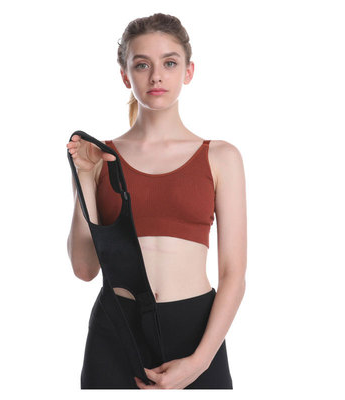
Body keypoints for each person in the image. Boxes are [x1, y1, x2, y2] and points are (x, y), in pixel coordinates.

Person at [66, 12, 247, 389]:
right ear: (125, 75)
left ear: (188, 71)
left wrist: (199, 362)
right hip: (116, 330)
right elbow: (85, 269)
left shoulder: (221, 157)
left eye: (169, 63)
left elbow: (233, 273)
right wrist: (83, 175)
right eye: (142, 64)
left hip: (197, 330)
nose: (156, 76)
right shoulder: (99, 158)